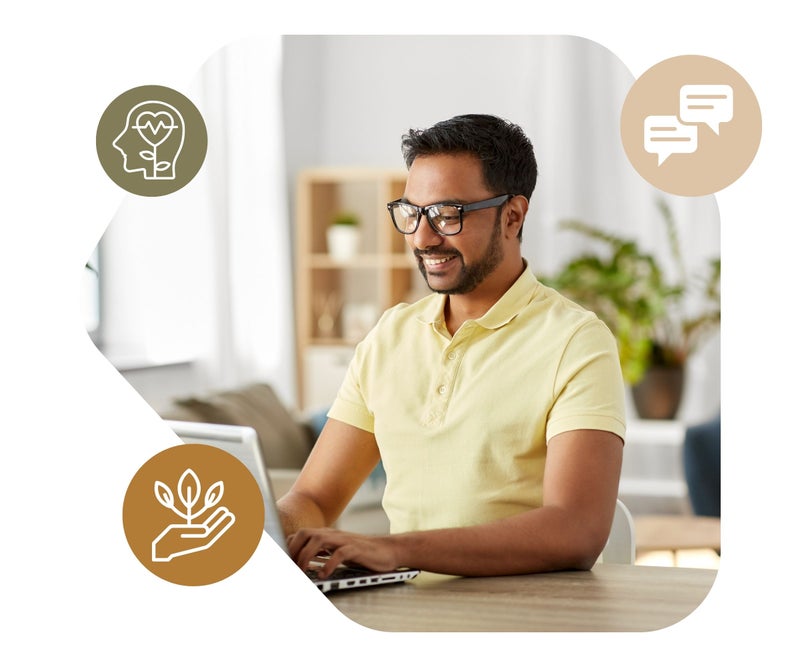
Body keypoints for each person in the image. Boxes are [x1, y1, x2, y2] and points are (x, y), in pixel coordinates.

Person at [278, 114, 626, 580]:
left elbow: (576, 529)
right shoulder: (390, 336)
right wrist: (261, 531)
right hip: (401, 614)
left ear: (513, 216)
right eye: (413, 212)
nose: (422, 237)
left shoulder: (577, 342)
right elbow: (315, 498)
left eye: (448, 214)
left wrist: (397, 549)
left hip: (525, 619)